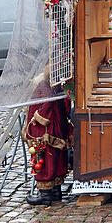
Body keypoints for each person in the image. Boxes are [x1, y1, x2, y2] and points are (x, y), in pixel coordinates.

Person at [23, 70, 73, 206]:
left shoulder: (44, 84)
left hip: (45, 129)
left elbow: (47, 104)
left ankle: (45, 195)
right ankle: (55, 191)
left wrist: (37, 117)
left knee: (45, 158)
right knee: (55, 158)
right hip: (56, 126)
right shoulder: (55, 84)